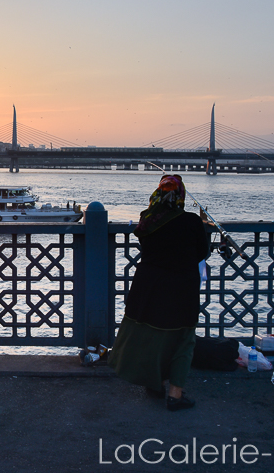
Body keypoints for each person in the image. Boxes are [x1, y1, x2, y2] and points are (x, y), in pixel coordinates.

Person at [108, 174, 210, 411]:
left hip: (147, 288)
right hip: (180, 290)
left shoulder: (147, 220)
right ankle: (175, 394)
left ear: (158, 194)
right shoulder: (191, 222)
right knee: (182, 339)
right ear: (180, 195)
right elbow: (201, 253)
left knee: (151, 337)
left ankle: (154, 384)